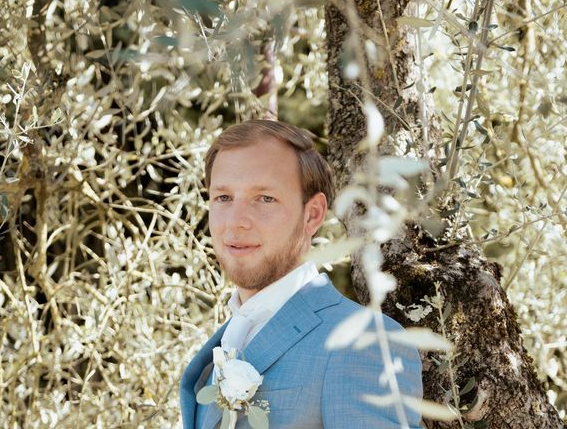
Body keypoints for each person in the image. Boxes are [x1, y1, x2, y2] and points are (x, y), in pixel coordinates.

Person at [180, 120, 422, 428]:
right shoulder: (227, 337)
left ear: (313, 215)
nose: (235, 222)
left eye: (264, 198)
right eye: (223, 198)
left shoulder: (365, 343)